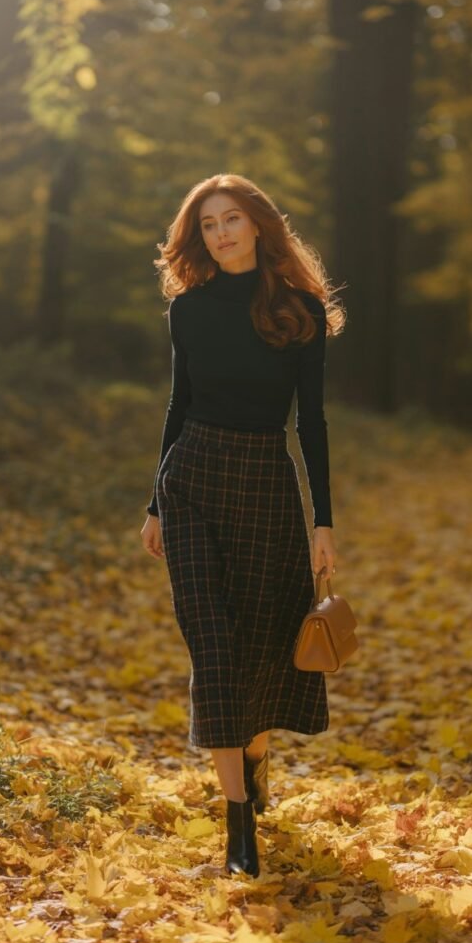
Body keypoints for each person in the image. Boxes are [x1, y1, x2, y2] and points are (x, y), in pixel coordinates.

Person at [141, 173, 346, 877]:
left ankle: (255, 754)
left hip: (264, 483)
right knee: (212, 645)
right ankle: (238, 828)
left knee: (260, 643)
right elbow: (178, 403)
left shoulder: (300, 312)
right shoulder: (188, 312)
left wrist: (323, 521)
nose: (221, 232)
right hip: (193, 477)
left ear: (259, 225)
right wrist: (155, 501)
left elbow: (311, 422)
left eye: (232, 219)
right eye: (208, 224)